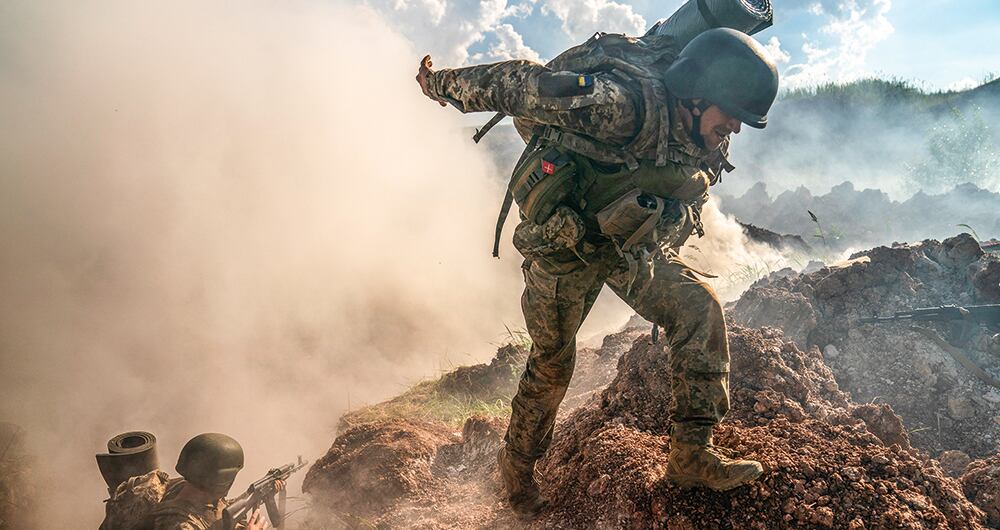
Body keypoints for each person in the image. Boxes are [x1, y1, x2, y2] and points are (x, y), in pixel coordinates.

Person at [416, 28, 779, 517]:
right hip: (564, 247)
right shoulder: (618, 107)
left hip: (628, 247)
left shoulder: (703, 136)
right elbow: (516, 83)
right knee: (551, 366)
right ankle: (517, 475)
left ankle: (691, 455)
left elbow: (688, 186)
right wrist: (438, 85)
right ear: (696, 98)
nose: (734, 128)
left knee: (700, 308)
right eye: (730, 114)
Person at [146, 433, 275, 530]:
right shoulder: (179, 525)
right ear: (223, 481)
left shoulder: (183, 487)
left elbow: (220, 509)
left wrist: (255, 494)